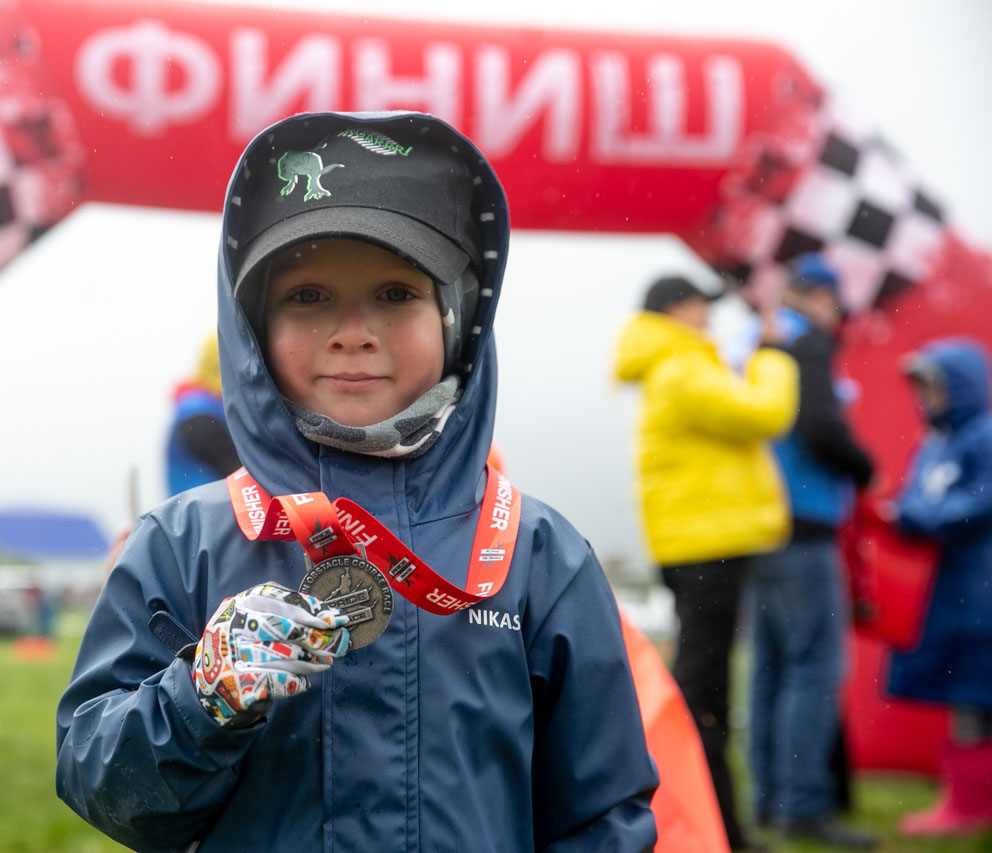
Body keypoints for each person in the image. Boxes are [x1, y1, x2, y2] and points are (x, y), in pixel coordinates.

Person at [57, 111, 658, 850]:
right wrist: (199, 698)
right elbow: (106, 790)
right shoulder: (182, 545)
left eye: (397, 293)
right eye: (307, 296)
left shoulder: (540, 555)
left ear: (457, 320)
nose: (353, 332)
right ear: (252, 328)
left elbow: (603, 816)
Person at [613, 275, 797, 851]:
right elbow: (766, 413)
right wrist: (773, 355)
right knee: (703, 701)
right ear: (676, 309)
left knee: (704, 694)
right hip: (706, 550)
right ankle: (713, 831)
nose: (708, 318)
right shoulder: (680, 367)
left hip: (700, 547)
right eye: (700, 306)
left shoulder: (673, 364)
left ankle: (710, 827)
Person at [749, 254, 876, 849]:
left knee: (772, 669)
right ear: (824, 300)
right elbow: (823, 429)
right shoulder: (810, 341)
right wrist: (865, 468)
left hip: (758, 524)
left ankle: (771, 803)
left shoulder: (761, 339)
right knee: (814, 668)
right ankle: (802, 806)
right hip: (803, 527)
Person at [887, 337, 992, 837]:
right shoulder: (935, 442)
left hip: (982, 593)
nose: (926, 398)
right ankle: (967, 804)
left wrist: (920, 516)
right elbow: (916, 500)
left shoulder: (985, 435)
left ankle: (969, 809)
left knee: (977, 694)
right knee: (967, 698)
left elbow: (980, 501)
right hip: (952, 595)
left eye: (934, 387)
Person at [166, 333, 242, 497]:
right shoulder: (198, 415)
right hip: (205, 510)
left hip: (208, 507)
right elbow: (240, 470)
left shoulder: (201, 407)